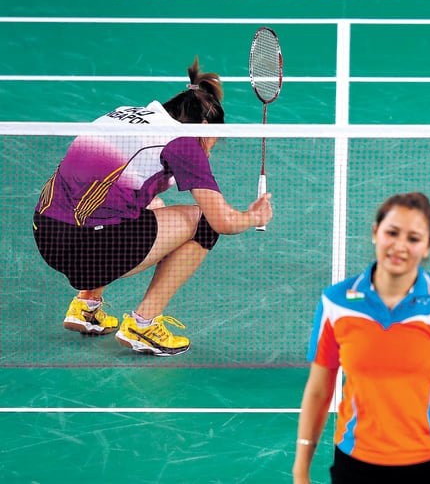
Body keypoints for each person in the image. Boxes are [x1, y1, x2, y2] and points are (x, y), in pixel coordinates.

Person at [32, 57, 273, 356]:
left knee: (149, 204)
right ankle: (142, 325)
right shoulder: (183, 142)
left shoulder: (123, 114)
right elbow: (223, 221)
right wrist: (253, 216)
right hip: (86, 252)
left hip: (46, 235)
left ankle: (86, 306)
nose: (211, 149)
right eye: (214, 139)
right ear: (203, 126)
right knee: (204, 224)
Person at [292, 192, 430, 484]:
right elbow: (318, 391)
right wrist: (300, 469)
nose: (399, 246)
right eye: (392, 233)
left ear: (428, 246)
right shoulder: (336, 303)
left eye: (413, 238)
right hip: (356, 464)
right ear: (375, 232)